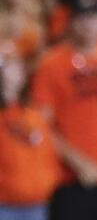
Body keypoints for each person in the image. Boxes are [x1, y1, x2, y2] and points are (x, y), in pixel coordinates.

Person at [31, 0, 97, 220]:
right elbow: (41, 125)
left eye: (93, 17)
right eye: (82, 18)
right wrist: (77, 161)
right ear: (71, 23)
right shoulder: (51, 64)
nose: (88, 25)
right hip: (68, 178)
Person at [0, 45, 59, 220]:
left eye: (13, 67)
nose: (8, 74)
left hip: (37, 203)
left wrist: (47, 184)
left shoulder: (35, 115)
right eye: (4, 68)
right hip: (4, 204)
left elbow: (48, 156)